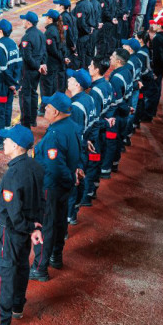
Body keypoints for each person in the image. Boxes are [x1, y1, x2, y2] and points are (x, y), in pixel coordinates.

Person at [0, 125, 44, 325]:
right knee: (21, 267)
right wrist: (34, 227)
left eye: (6, 140)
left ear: (15, 145)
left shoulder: (13, 175)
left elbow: (13, 214)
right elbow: (41, 200)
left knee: (3, 272)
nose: (3, 142)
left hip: (10, 232)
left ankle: (0, 320)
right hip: (26, 230)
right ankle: (16, 307)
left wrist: (27, 226)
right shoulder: (36, 167)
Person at [29, 92, 81, 281]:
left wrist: (67, 179)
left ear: (57, 112)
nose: (45, 109)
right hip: (62, 187)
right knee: (59, 222)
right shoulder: (72, 127)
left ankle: (39, 268)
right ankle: (55, 256)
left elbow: (55, 167)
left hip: (51, 187)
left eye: (48, 107)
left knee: (45, 226)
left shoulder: (54, 135)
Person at [65, 68, 97, 226]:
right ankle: (74, 212)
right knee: (80, 180)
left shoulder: (75, 107)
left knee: (73, 182)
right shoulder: (89, 99)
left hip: (76, 151)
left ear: (77, 84)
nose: (68, 80)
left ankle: (68, 216)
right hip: (84, 146)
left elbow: (74, 135)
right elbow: (93, 124)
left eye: (71, 79)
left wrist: (75, 162)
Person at [0, 19, 22, 151]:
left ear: (0, 31)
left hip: (1, 85)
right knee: (7, 111)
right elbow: (18, 64)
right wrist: (15, 82)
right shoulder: (12, 43)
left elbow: (2, 69)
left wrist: (11, 83)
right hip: (10, 85)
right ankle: (6, 137)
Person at [84, 58, 113, 205]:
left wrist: (89, 138)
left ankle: (86, 196)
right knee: (95, 163)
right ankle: (92, 190)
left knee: (90, 164)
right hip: (102, 132)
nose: (88, 66)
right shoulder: (107, 84)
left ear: (96, 70)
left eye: (90, 65)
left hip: (95, 135)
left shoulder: (95, 91)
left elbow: (93, 118)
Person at [102, 49, 132, 178]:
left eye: (113, 56)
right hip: (124, 113)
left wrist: (108, 118)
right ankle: (114, 164)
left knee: (111, 142)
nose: (110, 57)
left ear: (119, 61)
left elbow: (116, 101)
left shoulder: (116, 78)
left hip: (116, 115)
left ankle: (105, 170)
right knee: (118, 140)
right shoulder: (127, 71)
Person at [18, 12, 47, 128]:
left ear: (28, 22)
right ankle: (33, 119)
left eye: (24, 20)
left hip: (29, 70)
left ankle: (26, 122)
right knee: (34, 93)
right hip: (37, 70)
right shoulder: (41, 34)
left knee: (26, 95)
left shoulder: (27, 37)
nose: (23, 21)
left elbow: (27, 57)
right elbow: (44, 53)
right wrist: (42, 65)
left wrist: (37, 66)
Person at [39, 9, 65, 116]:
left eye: (47, 17)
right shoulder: (56, 29)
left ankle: (44, 108)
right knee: (52, 85)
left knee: (47, 86)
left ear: (50, 19)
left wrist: (61, 58)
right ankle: (50, 106)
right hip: (55, 64)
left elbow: (52, 49)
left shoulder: (50, 32)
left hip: (50, 63)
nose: (45, 19)